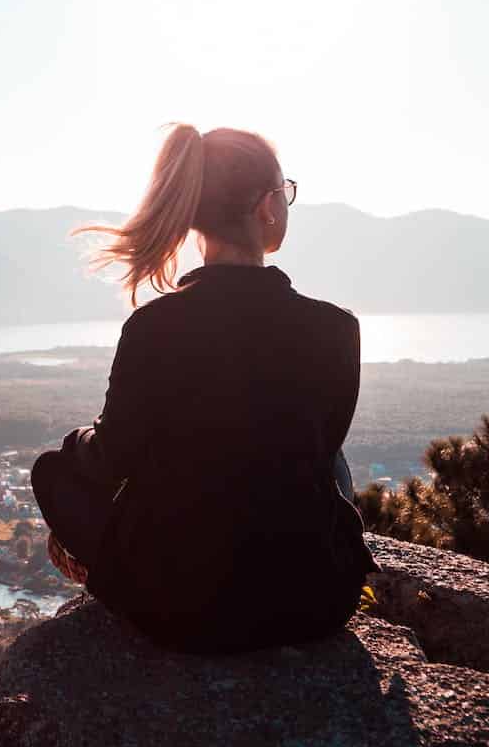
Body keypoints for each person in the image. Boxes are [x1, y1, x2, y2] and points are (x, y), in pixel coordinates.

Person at [32, 124, 373, 655]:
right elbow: (317, 453)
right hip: (315, 600)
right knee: (327, 454)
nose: (286, 203)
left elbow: (111, 459)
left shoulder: (154, 328)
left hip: (179, 607)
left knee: (51, 472)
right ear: (265, 205)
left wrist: (78, 441)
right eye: (285, 192)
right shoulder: (336, 328)